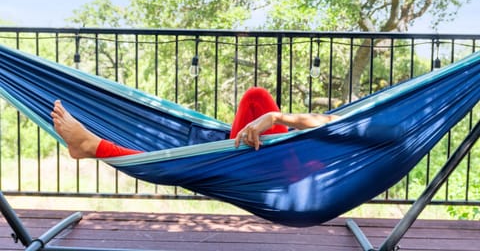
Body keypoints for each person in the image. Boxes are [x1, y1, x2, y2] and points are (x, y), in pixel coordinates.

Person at [51, 87, 337, 159]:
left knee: (187, 162)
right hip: (283, 154)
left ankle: (93, 146)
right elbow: (334, 121)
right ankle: (227, 147)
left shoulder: (378, 131)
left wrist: (274, 118)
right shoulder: (374, 120)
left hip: (290, 172)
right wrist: (273, 117)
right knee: (256, 96)